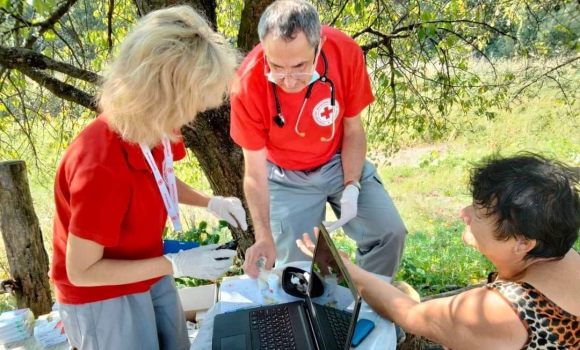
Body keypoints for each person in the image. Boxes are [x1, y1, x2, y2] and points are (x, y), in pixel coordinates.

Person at [50, 6, 245, 350]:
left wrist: (210, 202)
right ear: (165, 95)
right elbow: (82, 271)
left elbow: (159, 180)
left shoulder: (152, 128)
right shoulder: (99, 167)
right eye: (194, 102)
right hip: (102, 293)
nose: (197, 112)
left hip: (146, 265)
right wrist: (175, 263)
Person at [298, 153, 580, 350]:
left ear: (523, 243)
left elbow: (410, 315)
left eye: (479, 214)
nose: (464, 213)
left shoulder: (503, 310)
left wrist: (350, 271)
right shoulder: (563, 254)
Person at [230, 0, 407, 280]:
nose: (288, 81)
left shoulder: (345, 52)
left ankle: (370, 304)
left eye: (299, 66)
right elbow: (254, 171)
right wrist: (264, 236)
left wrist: (352, 185)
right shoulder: (246, 84)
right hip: (285, 176)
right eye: (276, 67)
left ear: (319, 44)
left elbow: (353, 130)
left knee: (389, 233)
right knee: (293, 271)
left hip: (337, 160)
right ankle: (312, 319)